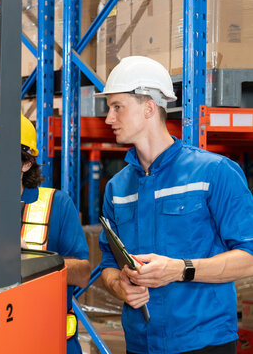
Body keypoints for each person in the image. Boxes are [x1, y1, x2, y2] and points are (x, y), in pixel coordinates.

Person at [95, 56, 253, 353]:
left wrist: (181, 269)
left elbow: (249, 256)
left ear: (148, 108)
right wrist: (120, 285)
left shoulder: (215, 172)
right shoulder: (117, 188)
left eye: (117, 107)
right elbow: (107, 266)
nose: (108, 119)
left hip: (203, 342)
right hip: (140, 342)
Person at [0, 115, 91, 353]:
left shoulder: (57, 204)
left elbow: (83, 274)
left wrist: (31, 259)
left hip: (51, 344)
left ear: (26, 163)